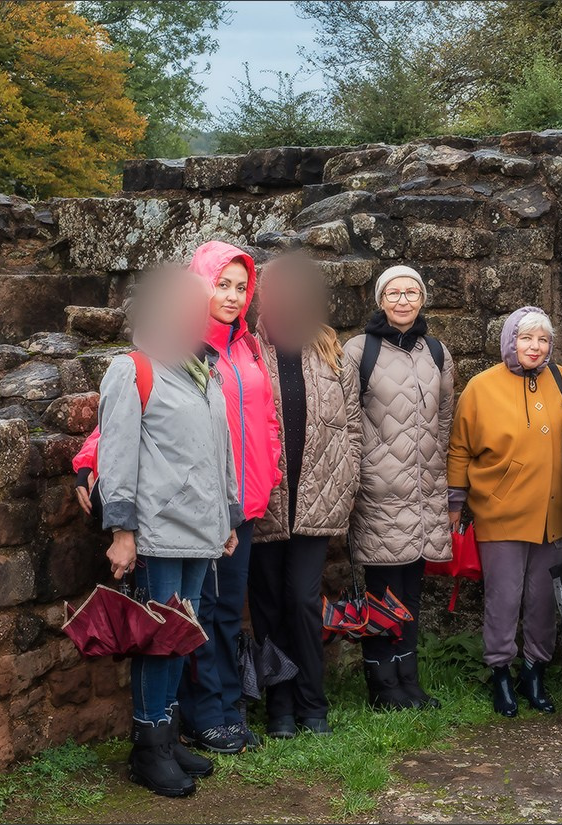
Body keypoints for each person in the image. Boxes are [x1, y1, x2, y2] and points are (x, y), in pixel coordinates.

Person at [96, 267, 241, 797]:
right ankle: (147, 749)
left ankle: (168, 733)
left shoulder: (206, 369)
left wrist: (228, 514)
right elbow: (116, 453)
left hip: (202, 529)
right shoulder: (133, 368)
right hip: (157, 532)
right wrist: (122, 530)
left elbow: (220, 448)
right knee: (158, 640)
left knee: (183, 636)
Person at [173, 241, 281, 754]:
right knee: (206, 609)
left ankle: (230, 704)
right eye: (223, 284)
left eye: (242, 287)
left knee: (228, 609)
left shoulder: (247, 347)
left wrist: (272, 466)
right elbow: (140, 406)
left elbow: (262, 415)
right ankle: (204, 713)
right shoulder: (180, 343)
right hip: (202, 503)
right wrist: (90, 463)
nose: (234, 296)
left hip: (246, 506)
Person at [249, 252, 362, 738]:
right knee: (268, 605)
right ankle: (280, 709)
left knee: (302, 600)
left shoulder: (330, 351)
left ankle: (313, 705)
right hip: (265, 500)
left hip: (317, 500)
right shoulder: (249, 349)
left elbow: (353, 424)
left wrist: (347, 477)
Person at [447, 306, 562, 717]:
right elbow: (460, 448)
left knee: (543, 600)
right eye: (525, 339)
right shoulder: (481, 387)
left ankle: (534, 671)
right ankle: (501, 672)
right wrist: (455, 502)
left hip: (553, 516)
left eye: (542, 340)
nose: (534, 347)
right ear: (510, 341)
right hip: (500, 513)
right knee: (504, 599)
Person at [343, 264, 454, 710]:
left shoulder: (436, 352)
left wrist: (433, 469)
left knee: (411, 589)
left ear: (422, 299)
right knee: (382, 592)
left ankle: (408, 679)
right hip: (379, 491)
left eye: (412, 292)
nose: (404, 300)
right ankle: (382, 685)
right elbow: (348, 419)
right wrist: (362, 472)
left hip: (424, 490)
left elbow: (445, 415)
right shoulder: (358, 351)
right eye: (395, 293)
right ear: (380, 299)